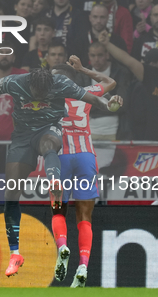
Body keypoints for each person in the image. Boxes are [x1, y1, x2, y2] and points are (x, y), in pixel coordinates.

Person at [0, 67, 115, 277]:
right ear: (31, 85)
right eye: (39, 93)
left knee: (49, 144)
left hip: (50, 130)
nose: (43, 96)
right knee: (11, 194)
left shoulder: (62, 84)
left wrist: (108, 104)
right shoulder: (15, 82)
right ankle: (15, 253)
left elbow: (94, 99)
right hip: (23, 137)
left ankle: (54, 182)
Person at [50, 56, 122, 288]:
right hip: (85, 158)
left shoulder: (47, 97)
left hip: (59, 158)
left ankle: (62, 247)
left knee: (58, 211)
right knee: (85, 219)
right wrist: (83, 69)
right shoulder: (85, 92)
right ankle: (82, 266)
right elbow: (110, 82)